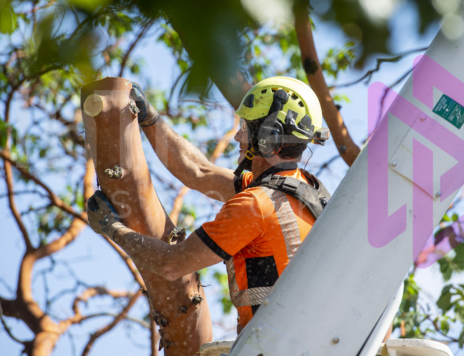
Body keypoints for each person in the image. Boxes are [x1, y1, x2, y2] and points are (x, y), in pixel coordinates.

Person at [87, 76, 331, 333]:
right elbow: (198, 171)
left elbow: (171, 264)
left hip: (277, 344)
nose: (238, 136)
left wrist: (113, 228)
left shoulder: (256, 205)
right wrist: (151, 120)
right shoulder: (301, 189)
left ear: (267, 138)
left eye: (246, 127)